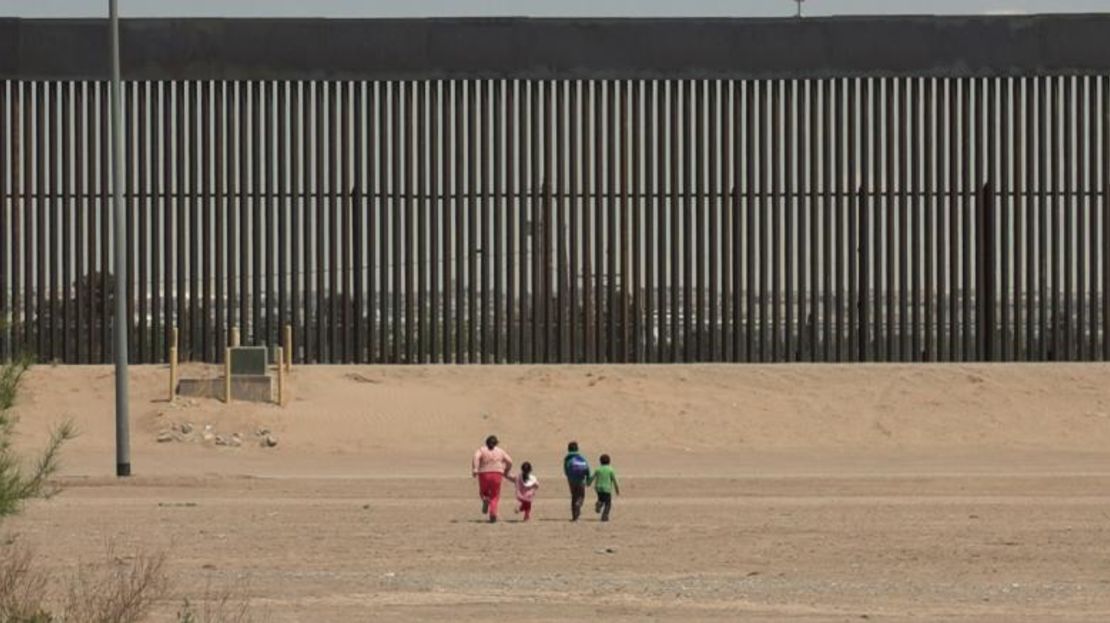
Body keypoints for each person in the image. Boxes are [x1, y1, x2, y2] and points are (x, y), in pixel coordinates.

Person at [472, 435, 512, 523]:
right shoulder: (500, 451)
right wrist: (506, 470)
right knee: (495, 495)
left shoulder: (481, 449)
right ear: (496, 443)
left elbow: (476, 457)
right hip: (497, 474)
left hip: (484, 473)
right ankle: (493, 513)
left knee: (483, 491)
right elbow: (509, 461)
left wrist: (475, 469)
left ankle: (485, 498)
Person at [588, 453, 620, 522]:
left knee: (601, 498)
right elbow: (614, 480)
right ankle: (604, 516)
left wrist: (588, 483)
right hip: (607, 489)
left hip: (598, 488)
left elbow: (592, 477)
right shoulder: (610, 470)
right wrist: (617, 489)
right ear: (609, 461)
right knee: (608, 503)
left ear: (600, 461)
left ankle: (599, 503)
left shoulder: (598, 469)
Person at [563, 441, 590, 521]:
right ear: (577, 448)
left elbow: (565, 470)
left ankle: (574, 516)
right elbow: (587, 469)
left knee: (574, 496)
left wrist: (569, 477)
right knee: (581, 496)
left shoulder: (567, 459)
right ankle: (579, 504)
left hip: (571, 481)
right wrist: (588, 478)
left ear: (568, 449)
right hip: (581, 480)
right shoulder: (581, 458)